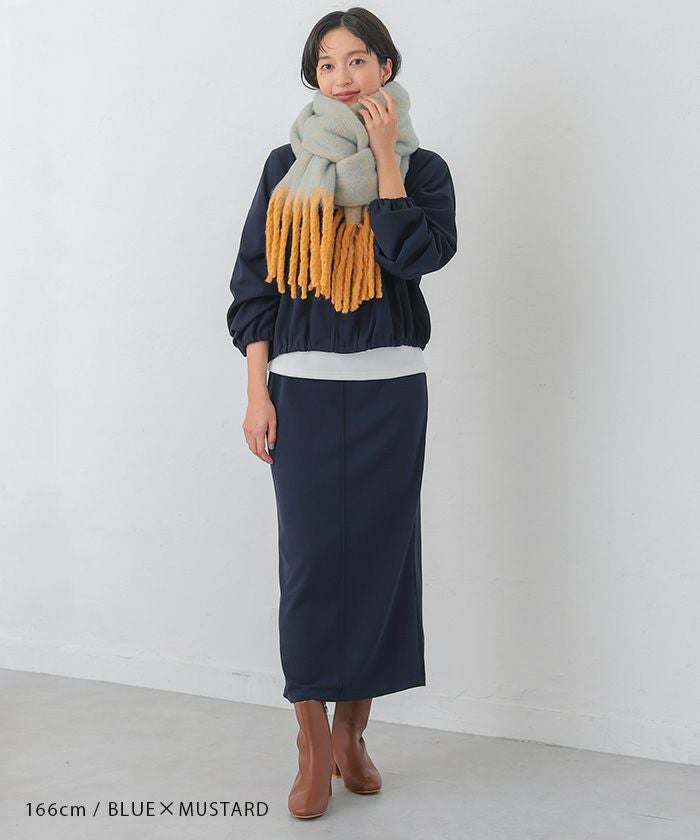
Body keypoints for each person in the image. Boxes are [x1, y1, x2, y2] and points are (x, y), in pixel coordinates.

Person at [226, 7, 457, 820]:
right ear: (316, 77)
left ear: (385, 68)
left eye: (358, 60)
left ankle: (354, 731)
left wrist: (385, 157)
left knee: (385, 562)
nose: (343, 76)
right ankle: (312, 741)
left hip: (393, 386)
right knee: (312, 564)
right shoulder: (284, 168)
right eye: (327, 64)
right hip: (303, 386)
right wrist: (257, 392)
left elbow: (417, 256)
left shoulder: (424, 169)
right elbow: (253, 286)